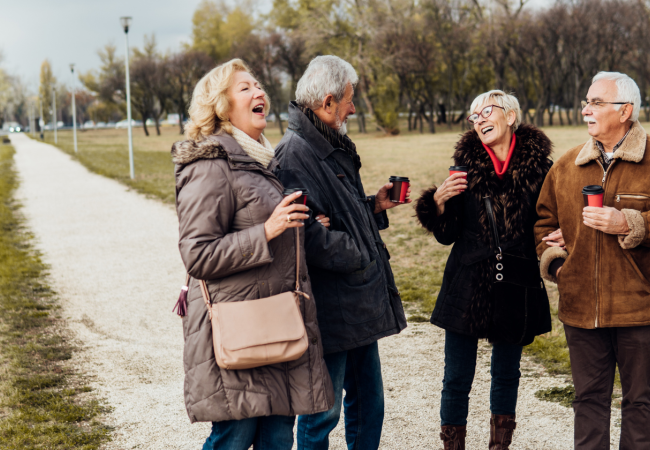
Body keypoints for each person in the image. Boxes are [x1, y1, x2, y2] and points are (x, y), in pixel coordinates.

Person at [171, 58, 333, 450]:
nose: (259, 92)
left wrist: (300, 228)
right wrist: (269, 231)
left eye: (258, 85)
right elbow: (197, 254)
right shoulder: (209, 163)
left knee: (278, 439)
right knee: (234, 438)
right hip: (240, 328)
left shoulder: (261, 160)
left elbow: (261, 220)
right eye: (245, 88)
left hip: (276, 322)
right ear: (222, 106)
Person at [535, 72, 650, 449]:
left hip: (640, 305)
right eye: (586, 102)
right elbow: (543, 223)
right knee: (588, 401)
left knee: (639, 402)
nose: (585, 110)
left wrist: (629, 221)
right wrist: (561, 266)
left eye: (596, 102)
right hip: (580, 307)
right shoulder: (565, 167)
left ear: (625, 110)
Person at [272, 55, 409, 450]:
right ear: (328, 101)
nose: (353, 107)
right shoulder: (294, 153)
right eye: (350, 99)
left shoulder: (330, 143)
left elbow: (337, 215)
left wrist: (373, 207)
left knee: (369, 403)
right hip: (329, 307)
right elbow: (305, 234)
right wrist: (359, 254)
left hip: (358, 299)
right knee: (322, 412)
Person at [415, 90, 553, 450]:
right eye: (473, 115)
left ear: (510, 116)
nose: (478, 119)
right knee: (457, 377)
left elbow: (549, 222)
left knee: (507, 374)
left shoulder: (542, 169)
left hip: (517, 283)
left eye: (486, 111)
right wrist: (439, 203)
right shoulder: (463, 168)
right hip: (467, 283)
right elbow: (446, 236)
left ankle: (499, 446)